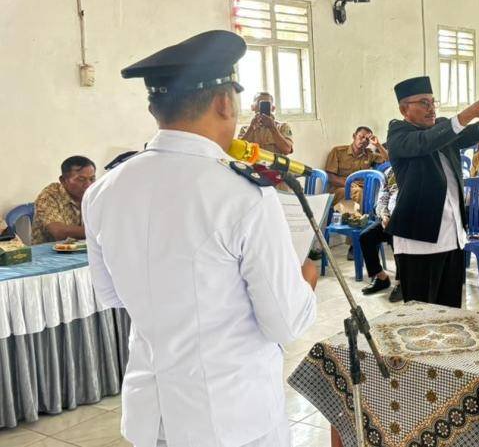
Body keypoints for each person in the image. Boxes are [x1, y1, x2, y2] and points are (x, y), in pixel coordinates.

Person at [83, 30, 317, 447]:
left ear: (154, 106)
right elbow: (285, 321)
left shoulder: (103, 190)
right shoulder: (243, 194)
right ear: (225, 102)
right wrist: (308, 272)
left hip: (151, 414)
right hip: (231, 418)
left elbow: (113, 295)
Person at [386, 76, 479, 307]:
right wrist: (467, 114)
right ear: (404, 109)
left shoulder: (442, 129)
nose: (431, 109)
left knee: (450, 311)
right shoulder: (399, 134)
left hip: (453, 235)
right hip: (419, 241)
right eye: (423, 103)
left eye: (433, 102)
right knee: (422, 315)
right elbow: (424, 142)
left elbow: (474, 131)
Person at [32, 156, 96, 244]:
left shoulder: (95, 194)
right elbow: (59, 232)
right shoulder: (49, 195)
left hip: (82, 250)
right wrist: (100, 231)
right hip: (49, 254)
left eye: (92, 179)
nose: (88, 185)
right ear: (63, 180)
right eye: (81, 179)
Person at [359, 167, 400, 300]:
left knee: (397, 238)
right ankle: (381, 277)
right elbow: (382, 198)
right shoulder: (389, 172)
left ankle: (402, 282)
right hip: (388, 219)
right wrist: (384, 216)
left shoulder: (413, 168)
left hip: (406, 220)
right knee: (366, 237)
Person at [325, 126, 388, 204]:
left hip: (360, 188)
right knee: (357, 192)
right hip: (340, 188)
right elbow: (330, 176)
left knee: (379, 192)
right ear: (354, 136)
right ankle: (357, 216)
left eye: (367, 139)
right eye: (361, 137)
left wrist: (378, 145)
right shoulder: (338, 151)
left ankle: (362, 215)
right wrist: (349, 184)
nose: (364, 140)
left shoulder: (369, 154)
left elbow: (387, 159)